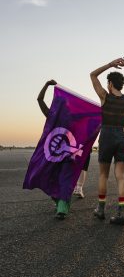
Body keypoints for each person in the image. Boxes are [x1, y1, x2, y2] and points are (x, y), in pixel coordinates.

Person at [90, 58, 124, 225]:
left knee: (103, 175)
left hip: (106, 136)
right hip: (122, 136)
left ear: (110, 83)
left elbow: (92, 75)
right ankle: (121, 213)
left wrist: (110, 65)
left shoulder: (104, 97)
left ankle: (101, 209)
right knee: (120, 176)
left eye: (108, 83)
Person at [37, 79, 71, 219]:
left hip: (52, 154)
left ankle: (61, 206)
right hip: (67, 154)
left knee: (50, 179)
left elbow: (39, 99)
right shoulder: (71, 117)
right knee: (64, 180)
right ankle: (62, 205)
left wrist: (46, 85)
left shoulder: (51, 115)